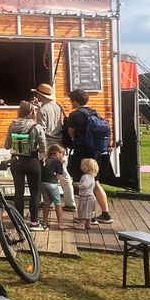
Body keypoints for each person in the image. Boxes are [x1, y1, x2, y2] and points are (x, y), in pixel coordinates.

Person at [65, 89, 113, 224]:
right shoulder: (94, 112)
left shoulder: (75, 115)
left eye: (71, 101)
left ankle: (89, 217)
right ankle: (105, 214)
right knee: (95, 182)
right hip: (95, 152)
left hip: (82, 153)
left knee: (84, 185)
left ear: (75, 101)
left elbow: (71, 134)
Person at [4, 101, 47, 231]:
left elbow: (7, 146)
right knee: (35, 191)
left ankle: (19, 220)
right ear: (32, 112)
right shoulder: (36, 127)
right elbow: (43, 148)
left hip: (16, 161)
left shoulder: (13, 125)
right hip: (32, 161)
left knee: (19, 191)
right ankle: (34, 222)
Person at [32, 83, 75, 211]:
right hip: (60, 145)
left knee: (45, 176)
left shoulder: (42, 110)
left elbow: (41, 130)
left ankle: (47, 202)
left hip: (49, 145)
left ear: (40, 95)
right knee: (64, 175)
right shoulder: (57, 107)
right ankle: (70, 202)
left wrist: (39, 148)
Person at [40, 144, 67, 232]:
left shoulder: (44, 160)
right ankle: (60, 223)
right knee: (58, 203)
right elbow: (58, 176)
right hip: (52, 184)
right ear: (57, 153)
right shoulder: (57, 163)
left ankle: (45, 222)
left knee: (46, 202)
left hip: (42, 183)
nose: (62, 156)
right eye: (62, 154)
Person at [75, 157, 99, 229]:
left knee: (83, 211)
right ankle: (88, 224)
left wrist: (77, 185)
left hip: (86, 197)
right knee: (89, 211)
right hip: (90, 197)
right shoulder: (91, 176)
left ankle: (81, 224)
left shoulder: (86, 176)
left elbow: (85, 186)